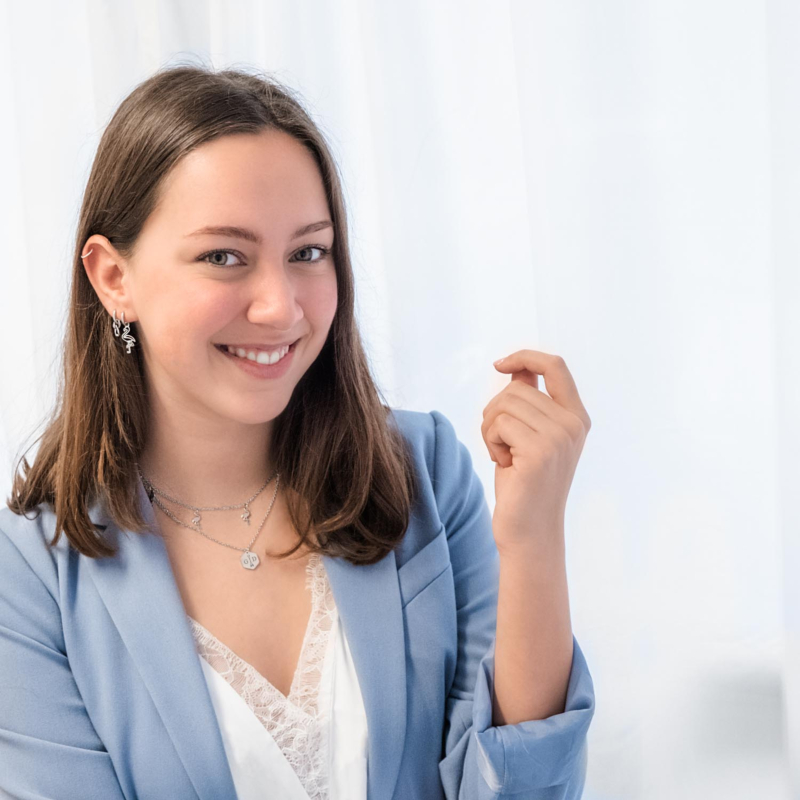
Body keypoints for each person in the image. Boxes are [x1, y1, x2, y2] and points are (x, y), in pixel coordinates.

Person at [0, 63, 595, 800]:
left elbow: (521, 787)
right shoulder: (29, 579)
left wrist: (535, 540)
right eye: (224, 257)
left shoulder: (425, 473)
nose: (280, 307)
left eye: (308, 252)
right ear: (113, 277)